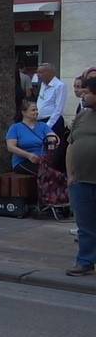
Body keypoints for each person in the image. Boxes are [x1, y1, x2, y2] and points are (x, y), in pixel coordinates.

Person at [65, 77, 96, 276]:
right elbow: (71, 145)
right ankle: (85, 261)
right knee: (84, 225)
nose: (82, 95)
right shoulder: (81, 116)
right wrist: (70, 174)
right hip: (81, 180)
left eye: (87, 92)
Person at [6, 100, 53, 175]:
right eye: (33, 110)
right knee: (45, 174)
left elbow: (52, 137)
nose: (36, 112)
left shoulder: (43, 125)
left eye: (37, 110)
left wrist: (52, 141)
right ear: (24, 112)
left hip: (42, 161)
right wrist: (28, 155)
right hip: (23, 161)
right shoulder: (15, 128)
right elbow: (10, 147)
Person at [35, 63, 67, 138]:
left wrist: (48, 125)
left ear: (50, 73)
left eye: (40, 72)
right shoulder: (43, 84)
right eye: (37, 72)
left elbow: (58, 109)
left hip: (52, 121)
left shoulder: (59, 86)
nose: (38, 75)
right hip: (40, 121)